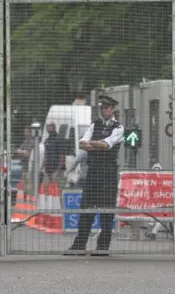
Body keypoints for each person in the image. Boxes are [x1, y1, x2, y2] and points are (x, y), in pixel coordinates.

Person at [65, 95, 124, 256]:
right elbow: (82, 144)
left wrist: (94, 144)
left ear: (112, 109)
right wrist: (98, 145)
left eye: (107, 107)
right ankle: (79, 245)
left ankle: (102, 247)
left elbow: (107, 145)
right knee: (86, 208)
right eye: (102, 107)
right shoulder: (94, 125)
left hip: (108, 172)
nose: (104, 110)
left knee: (106, 210)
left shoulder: (119, 128)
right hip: (93, 171)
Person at [40, 122, 66, 189]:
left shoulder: (59, 139)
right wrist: (41, 168)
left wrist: (57, 171)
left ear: (54, 127)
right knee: (45, 189)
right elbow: (45, 156)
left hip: (57, 170)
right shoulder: (47, 140)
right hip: (48, 170)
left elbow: (62, 155)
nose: (48, 128)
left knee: (56, 190)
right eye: (48, 126)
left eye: (51, 126)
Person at [15, 126, 35, 193]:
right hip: (24, 168)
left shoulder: (34, 142)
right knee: (23, 186)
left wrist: (22, 152)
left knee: (30, 187)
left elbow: (29, 154)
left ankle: (31, 201)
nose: (25, 134)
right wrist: (24, 152)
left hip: (31, 169)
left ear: (30, 133)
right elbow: (18, 151)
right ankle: (26, 201)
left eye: (26, 132)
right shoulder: (25, 142)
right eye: (24, 132)